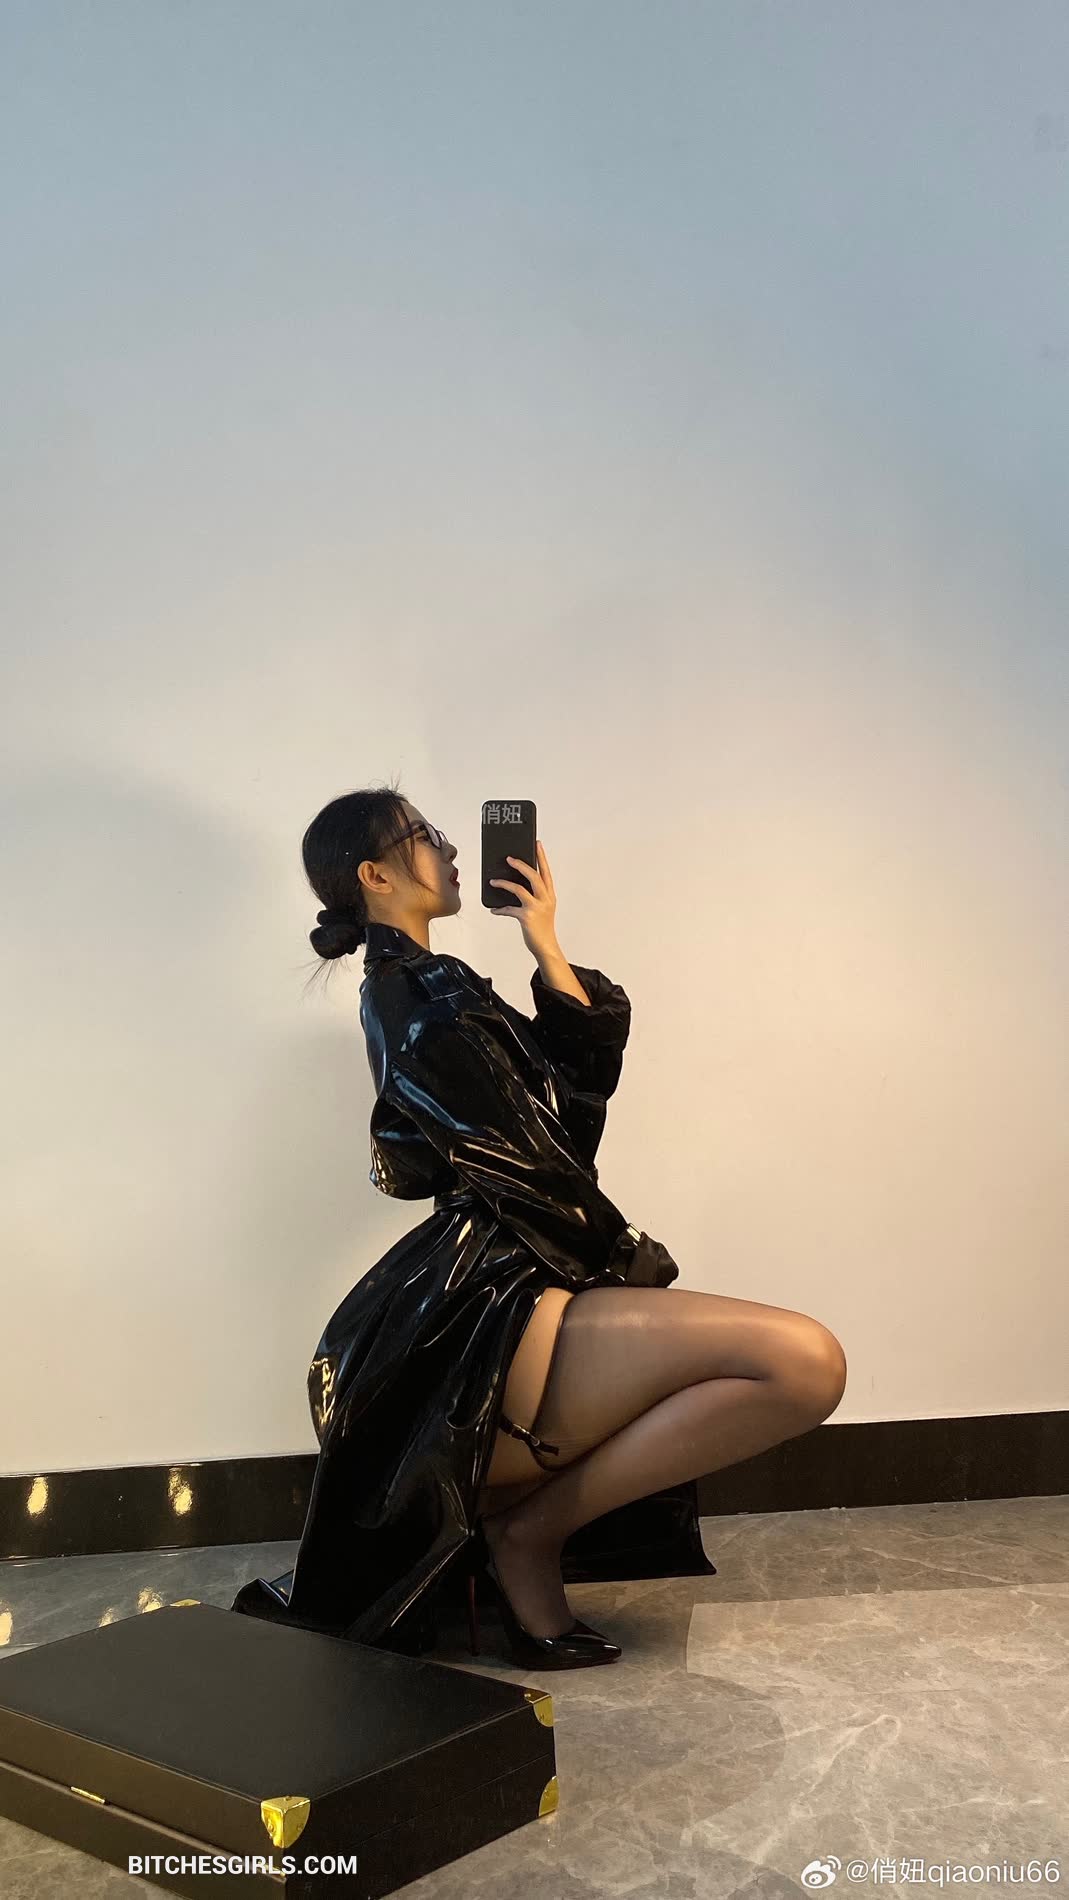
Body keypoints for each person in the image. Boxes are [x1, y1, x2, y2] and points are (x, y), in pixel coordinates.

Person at [231, 779, 847, 1669]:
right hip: (487, 1298)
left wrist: (544, 941)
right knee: (801, 1360)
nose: (449, 849)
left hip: (520, 1273)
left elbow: (571, 1107)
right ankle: (526, 1535)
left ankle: (526, 1530)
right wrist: (617, 1251)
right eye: (424, 835)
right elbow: (517, 1158)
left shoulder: (436, 985)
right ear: (375, 874)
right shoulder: (410, 995)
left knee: (801, 1364)